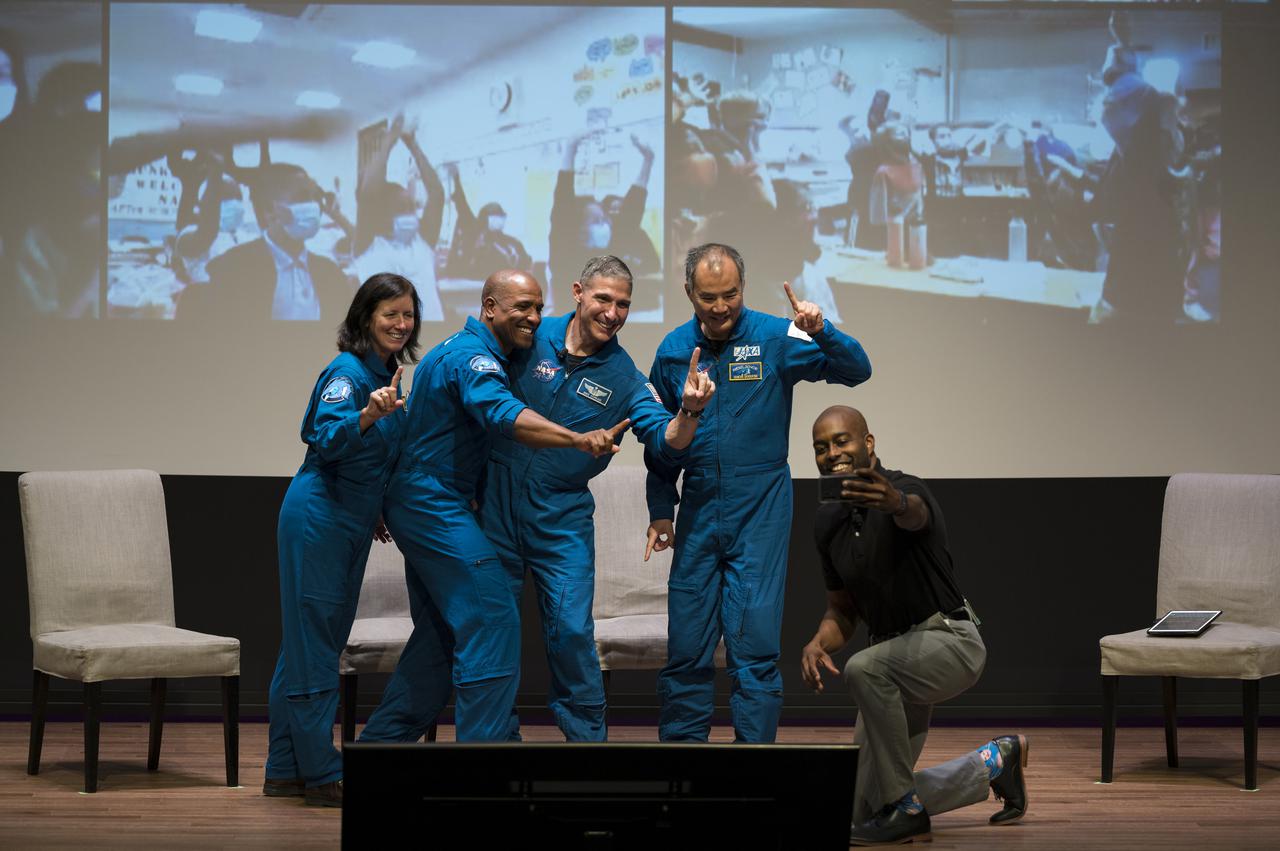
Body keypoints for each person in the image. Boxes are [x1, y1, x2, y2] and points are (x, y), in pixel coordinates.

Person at [357, 269, 627, 746]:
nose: (534, 317)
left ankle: (379, 754)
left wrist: (383, 492)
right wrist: (576, 437)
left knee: (442, 634)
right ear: (489, 307)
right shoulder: (473, 358)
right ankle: (486, 757)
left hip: (434, 502)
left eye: (539, 308)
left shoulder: (463, 350)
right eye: (521, 306)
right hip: (433, 504)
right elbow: (503, 415)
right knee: (493, 616)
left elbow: (409, 428)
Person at [644, 243, 872, 743]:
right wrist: (662, 509)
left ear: (743, 289)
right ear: (688, 292)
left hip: (760, 512)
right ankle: (683, 771)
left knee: (755, 649)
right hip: (700, 511)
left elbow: (858, 370)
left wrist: (822, 330)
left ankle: (753, 772)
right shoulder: (671, 350)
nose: (721, 307)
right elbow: (659, 442)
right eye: (708, 297)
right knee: (686, 651)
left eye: (730, 295)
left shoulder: (776, 335)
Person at [480, 255, 715, 741]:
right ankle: (492, 744)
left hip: (560, 516)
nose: (613, 313)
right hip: (495, 506)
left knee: (569, 632)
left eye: (624, 304)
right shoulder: (529, 336)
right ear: (578, 293)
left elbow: (663, 436)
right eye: (603, 299)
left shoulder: (625, 376)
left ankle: (588, 746)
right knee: (490, 629)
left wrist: (688, 414)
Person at [801, 405, 1028, 845]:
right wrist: (817, 643)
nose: (832, 453)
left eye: (842, 441)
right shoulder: (827, 521)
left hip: (948, 639)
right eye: (821, 447)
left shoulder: (905, 489)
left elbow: (915, 514)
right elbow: (842, 611)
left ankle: (907, 810)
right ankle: (996, 762)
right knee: (857, 810)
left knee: (863, 669)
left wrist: (896, 503)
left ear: (868, 443)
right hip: (892, 661)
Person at [263, 272, 421, 808]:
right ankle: (320, 772)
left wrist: (375, 503)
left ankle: (284, 768)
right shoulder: (347, 372)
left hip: (351, 519)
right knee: (314, 651)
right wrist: (368, 414)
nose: (401, 324)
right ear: (364, 318)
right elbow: (327, 438)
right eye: (390, 314)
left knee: (311, 645)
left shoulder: (389, 372)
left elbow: (376, 456)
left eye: (408, 314)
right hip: (319, 518)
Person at [177, 162, 351, 323]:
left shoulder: (331, 273)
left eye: (316, 197)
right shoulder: (232, 269)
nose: (314, 206)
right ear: (269, 209)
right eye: (302, 198)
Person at [548, 129, 658, 311]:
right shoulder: (563, 251)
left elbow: (632, 209)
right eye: (597, 221)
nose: (606, 225)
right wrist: (571, 149)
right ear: (580, 231)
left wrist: (648, 160)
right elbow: (562, 202)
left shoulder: (611, 251)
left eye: (606, 220)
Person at [352, 113, 445, 321]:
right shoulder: (369, 245)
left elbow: (437, 193)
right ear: (383, 214)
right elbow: (367, 195)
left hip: (432, 335)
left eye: (412, 207)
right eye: (402, 208)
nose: (411, 214)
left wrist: (413, 144)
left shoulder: (422, 241)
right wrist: (388, 142)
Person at [445, 164, 531, 279]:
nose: (499, 220)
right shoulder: (474, 233)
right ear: (485, 218)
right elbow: (462, 207)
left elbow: (526, 263)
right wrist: (456, 178)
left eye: (501, 216)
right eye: (495, 215)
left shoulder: (511, 242)